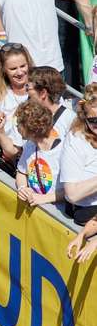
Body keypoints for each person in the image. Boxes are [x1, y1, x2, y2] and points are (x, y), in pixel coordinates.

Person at [12, 100, 65, 209]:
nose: (17, 127)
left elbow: (72, 191)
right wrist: (23, 188)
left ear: (31, 128)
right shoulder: (30, 144)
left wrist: (44, 198)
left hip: (57, 215)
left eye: (19, 124)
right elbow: (22, 172)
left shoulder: (64, 151)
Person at [63, 84, 97, 223]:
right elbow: (72, 195)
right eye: (92, 120)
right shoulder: (76, 139)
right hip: (88, 209)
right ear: (84, 117)